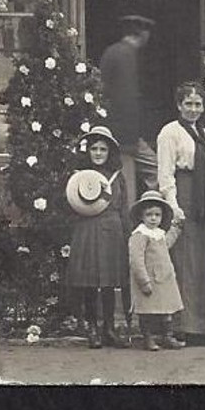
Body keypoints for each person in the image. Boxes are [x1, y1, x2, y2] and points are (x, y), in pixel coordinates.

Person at [155, 81, 205, 344]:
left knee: (203, 262)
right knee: (183, 262)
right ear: (178, 105)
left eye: (198, 104)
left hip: (203, 200)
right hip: (182, 196)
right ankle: (182, 326)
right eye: (188, 104)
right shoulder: (170, 133)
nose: (193, 109)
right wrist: (173, 206)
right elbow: (165, 173)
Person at [63, 126, 130, 349]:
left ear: (110, 151)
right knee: (90, 280)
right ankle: (92, 327)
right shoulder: (79, 176)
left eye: (103, 149)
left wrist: (126, 233)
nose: (99, 153)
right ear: (88, 151)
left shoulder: (117, 177)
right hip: (87, 228)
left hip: (112, 228)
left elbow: (123, 206)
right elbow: (70, 205)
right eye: (94, 148)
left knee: (109, 281)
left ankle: (109, 327)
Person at [98, 14, 153, 193]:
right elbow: (126, 97)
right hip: (124, 135)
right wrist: (130, 139)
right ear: (143, 34)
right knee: (127, 185)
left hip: (115, 130)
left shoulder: (113, 52)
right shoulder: (126, 55)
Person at [127, 190, 185, 351]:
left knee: (166, 309)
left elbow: (166, 245)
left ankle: (167, 336)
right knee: (147, 312)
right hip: (149, 279)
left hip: (163, 279)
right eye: (149, 215)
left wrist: (176, 228)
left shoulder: (158, 234)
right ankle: (148, 338)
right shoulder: (139, 235)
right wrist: (143, 281)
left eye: (157, 215)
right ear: (141, 216)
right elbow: (136, 260)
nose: (153, 218)